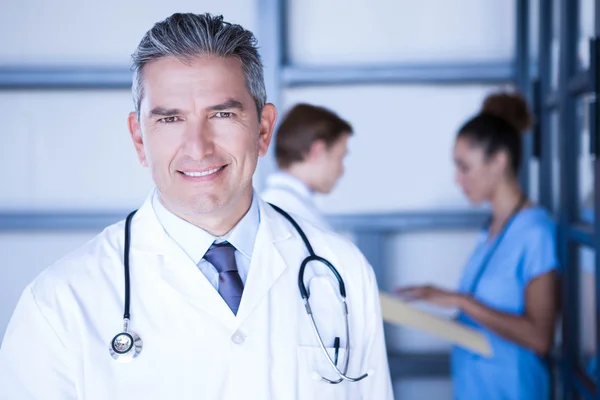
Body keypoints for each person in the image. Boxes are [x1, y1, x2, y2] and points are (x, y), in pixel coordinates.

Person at [0, 13, 393, 400]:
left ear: (262, 129)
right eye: (170, 119)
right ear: (139, 139)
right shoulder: (59, 303)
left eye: (222, 114)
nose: (197, 147)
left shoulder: (341, 270)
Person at [396, 90, 559, 399]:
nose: (457, 179)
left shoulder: (536, 232)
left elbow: (540, 337)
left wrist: (460, 301)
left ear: (498, 161)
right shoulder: (491, 229)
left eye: (464, 166)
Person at [261, 103, 352, 230]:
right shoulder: (285, 212)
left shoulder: (282, 205)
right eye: (339, 157)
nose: (341, 170)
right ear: (317, 151)